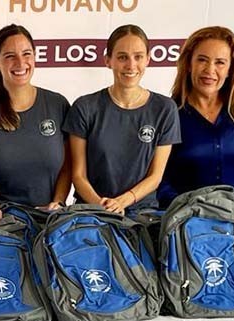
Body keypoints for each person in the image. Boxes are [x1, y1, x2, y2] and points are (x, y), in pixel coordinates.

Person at [64, 25, 180, 214]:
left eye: (138, 56)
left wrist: (122, 202)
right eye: (122, 57)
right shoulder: (85, 107)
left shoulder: (165, 109)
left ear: (148, 59)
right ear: (108, 61)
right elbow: (78, 176)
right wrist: (104, 207)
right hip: (91, 210)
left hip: (142, 213)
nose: (131, 65)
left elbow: (156, 176)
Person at [158, 26, 234, 210]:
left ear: (230, 69)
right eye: (202, 60)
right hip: (183, 225)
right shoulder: (169, 114)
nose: (210, 70)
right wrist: (185, 211)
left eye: (220, 62)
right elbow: (158, 177)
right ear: (189, 64)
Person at [0, 24, 71, 209]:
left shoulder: (57, 104)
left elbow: (68, 165)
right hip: (1, 224)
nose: (20, 63)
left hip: (50, 219)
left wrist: (58, 202)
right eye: (10, 56)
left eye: (27, 54)